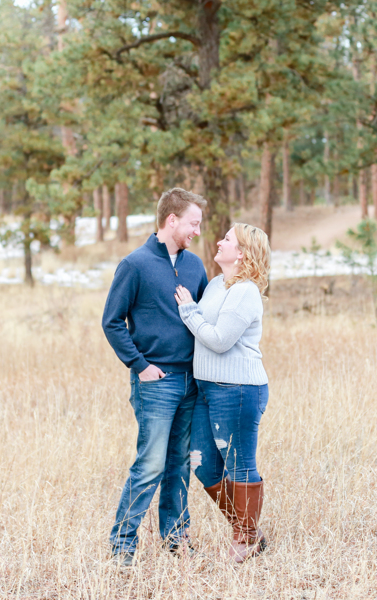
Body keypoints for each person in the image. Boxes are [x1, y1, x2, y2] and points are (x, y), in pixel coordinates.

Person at [102, 188, 209, 566]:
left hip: (190, 382)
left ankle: (176, 538)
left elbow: (205, 319)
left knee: (179, 462)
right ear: (172, 220)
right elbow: (111, 322)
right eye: (193, 223)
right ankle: (122, 547)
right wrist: (141, 366)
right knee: (150, 465)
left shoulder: (196, 266)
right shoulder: (134, 265)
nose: (197, 231)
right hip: (156, 382)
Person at [173, 222, 271, 563]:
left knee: (239, 465)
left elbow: (218, 340)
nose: (218, 241)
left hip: (239, 390)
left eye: (227, 239)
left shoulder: (246, 291)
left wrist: (189, 311)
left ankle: (244, 539)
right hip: (206, 389)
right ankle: (249, 530)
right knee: (203, 466)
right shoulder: (216, 284)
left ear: (241, 253)